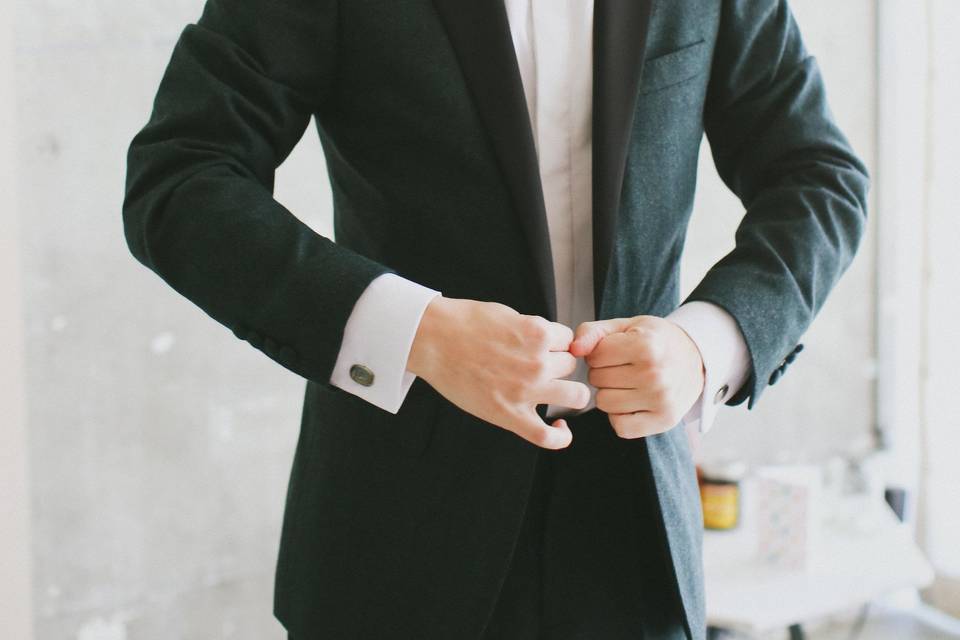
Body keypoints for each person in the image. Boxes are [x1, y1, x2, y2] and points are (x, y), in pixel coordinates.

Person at [122, 1, 869, 638]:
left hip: (636, 540)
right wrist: (419, 333)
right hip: (394, 537)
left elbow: (816, 176)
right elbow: (181, 175)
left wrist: (707, 344)